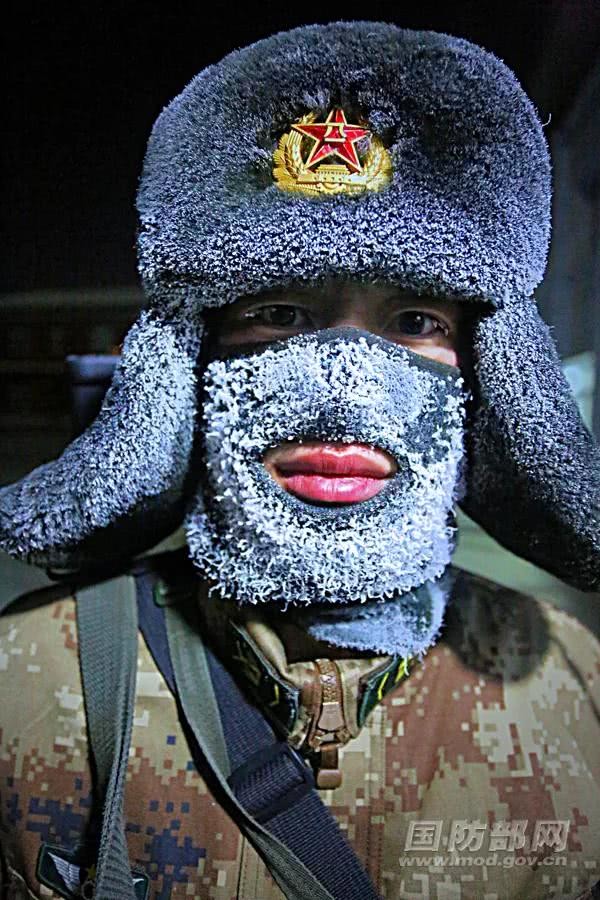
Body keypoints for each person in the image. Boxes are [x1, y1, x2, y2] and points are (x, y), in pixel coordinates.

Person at [1, 21, 599, 900]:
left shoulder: (577, 684)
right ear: (187, 367)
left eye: (416, 321)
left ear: (494, 378)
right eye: (278, 314)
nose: (344, 391)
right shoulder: (29, 678)